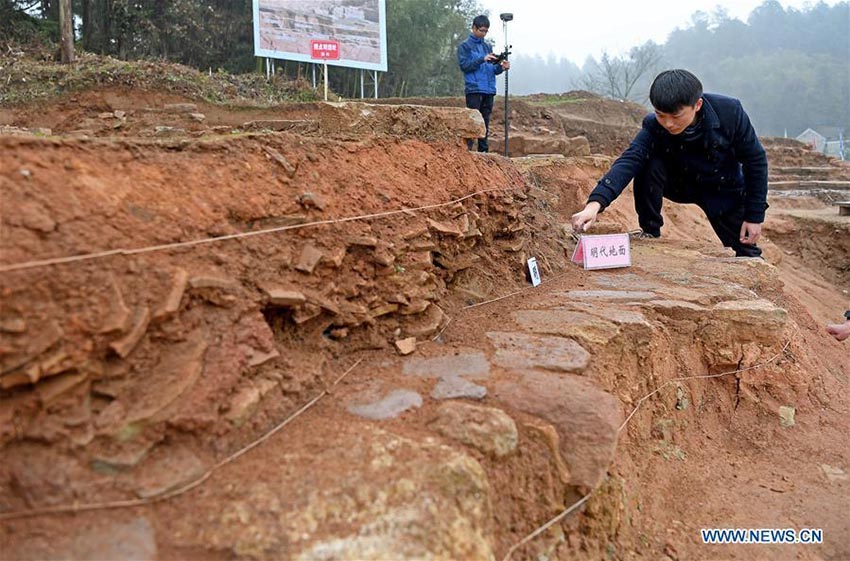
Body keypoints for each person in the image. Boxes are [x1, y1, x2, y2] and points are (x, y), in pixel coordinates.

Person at [571, 69, 768, 258]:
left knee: (746, 248)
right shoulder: (653, 125)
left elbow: (756, 161)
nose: (668, 124)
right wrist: (594, 205)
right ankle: (650, 231)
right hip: (681, 183)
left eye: (675, 116)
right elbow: (629, 160)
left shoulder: (730, 113)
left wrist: (754, 216)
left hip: (722, 186)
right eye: (660, 114)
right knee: (647, 162)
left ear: (697, 105)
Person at [457, 15, 510, 153]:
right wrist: (482, 59)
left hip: (489, 90)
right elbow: (465, 66)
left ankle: (483, 152)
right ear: (474, 28)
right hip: (474, 89)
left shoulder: (487, 46)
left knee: (485, 122)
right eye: (481, 30)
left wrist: (501, 67)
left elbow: (491, 69)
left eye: (486, 31)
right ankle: (466, 151)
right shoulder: (465, 46)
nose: (483, 33)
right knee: (473, 122)